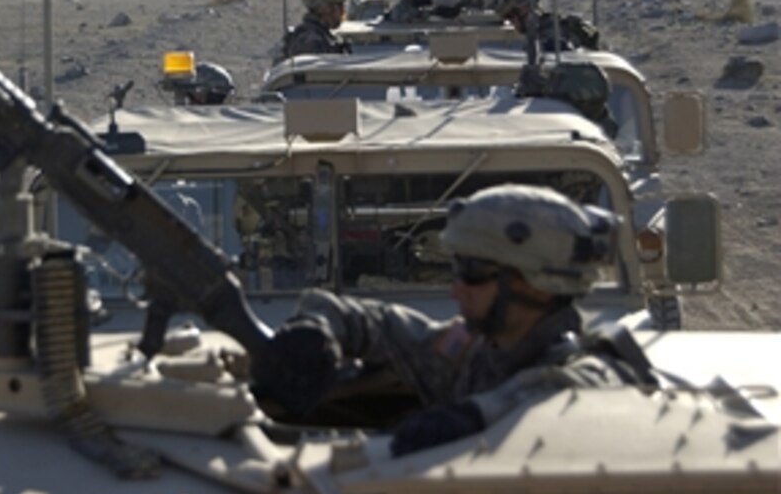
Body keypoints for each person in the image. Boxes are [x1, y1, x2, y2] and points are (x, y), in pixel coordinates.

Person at [253, 183, 655, 455]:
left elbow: (551, 395)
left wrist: (472, 418)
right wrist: (321, 325)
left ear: (539, 286)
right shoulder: (477, 352)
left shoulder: (597, 371)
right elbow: (386, 327)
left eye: (473, 274)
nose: (456, 290)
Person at [496, 0, 601, 51]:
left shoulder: (550, 35)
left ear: (524, 9)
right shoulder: (542, 31)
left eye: (510, 17)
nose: (511, 23)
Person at [279, 0, 350, 60]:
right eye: (339, 7)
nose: (343, 13)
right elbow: (313, 70)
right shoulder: (310, 40)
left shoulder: (323, 36)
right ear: (324, 8)